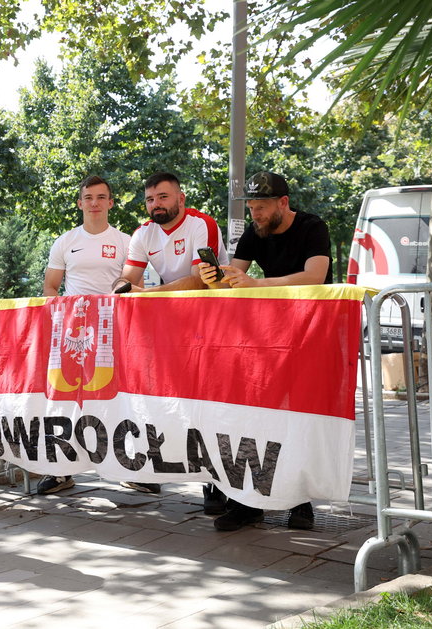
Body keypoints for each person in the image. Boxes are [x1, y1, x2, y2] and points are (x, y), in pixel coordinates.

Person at [198, 170, 332, 532]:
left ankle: (301, 503)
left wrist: (259, 283)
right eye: (252, 207)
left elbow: (315, 275)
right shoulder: (253, 233)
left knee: (299, 417)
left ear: (283, 203)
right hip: (270, 337)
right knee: (253, 416)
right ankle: (246, 502)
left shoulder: (311, 227)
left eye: (261, 207)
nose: (255, 214)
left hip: (312, 334)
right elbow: (233, 281)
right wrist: (216, 281)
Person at [112, 171, 229, 503]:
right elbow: (126, 281)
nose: (155, 204)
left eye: (163, 197)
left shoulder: (201, 223)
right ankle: (153, 471)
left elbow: (197, 282)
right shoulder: (143, 233)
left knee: (209, 405)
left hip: (211, 324)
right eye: (150, 199)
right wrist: (124, 290)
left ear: (181, 198)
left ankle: (216, 481)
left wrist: (145, 294)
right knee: (163, 401)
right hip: (170, 326)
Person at [35, 175, 132, 495]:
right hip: (72, 337)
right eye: (88, 197)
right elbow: (51, 287)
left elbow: (132, 284)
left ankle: (132, 469)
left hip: (114, 332)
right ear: (79, 203)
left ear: (111, 203)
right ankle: (62, 470)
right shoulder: (64, 241)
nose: (94, 203)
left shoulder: (126, 241)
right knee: (66, 403)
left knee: (120, 399)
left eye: (101, 197)